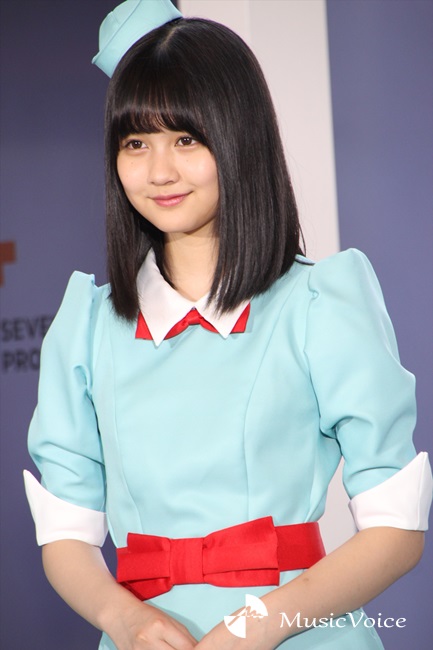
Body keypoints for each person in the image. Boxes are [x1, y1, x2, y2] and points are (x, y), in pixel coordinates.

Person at [24, 1, 432, 649]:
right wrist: (127, 621)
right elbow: (66, 534)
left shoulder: (317, 303)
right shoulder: (89, 328)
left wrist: (250, 630)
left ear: (238, 136)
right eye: (135, 143)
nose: (159, 171)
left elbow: (396, 528)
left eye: (186, 140)